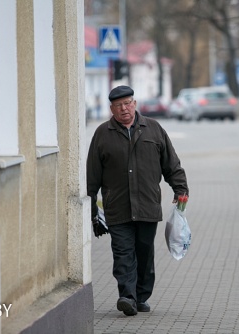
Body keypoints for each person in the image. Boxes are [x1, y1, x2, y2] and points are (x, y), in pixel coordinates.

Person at [87, 85, 189, 316]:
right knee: (123, 253)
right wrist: (92, 210)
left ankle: (141, 296)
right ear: (111, 109)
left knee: (144, 253)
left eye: (128, 103)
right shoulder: (102, 134)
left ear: (134, 104)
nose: (124, 109)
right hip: (117, 206)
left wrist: (180, 189)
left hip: (147, 204)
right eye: (118, 106)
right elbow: (92, 176)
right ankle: (127, 297)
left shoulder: (153, 129)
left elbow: (171, 164)